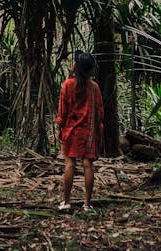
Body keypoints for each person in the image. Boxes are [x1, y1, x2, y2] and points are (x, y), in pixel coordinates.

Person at [55, 52, 104, 212]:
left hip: (71, 130)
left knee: (69, 163)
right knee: (88, 164)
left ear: (76, 67)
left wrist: (59, 127)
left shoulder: (67, 85)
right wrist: (97, 130)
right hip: (89, 131)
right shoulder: (94, 88)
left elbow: (62, 110)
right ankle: (87, 204)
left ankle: (67, 202)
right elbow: (99, 112)